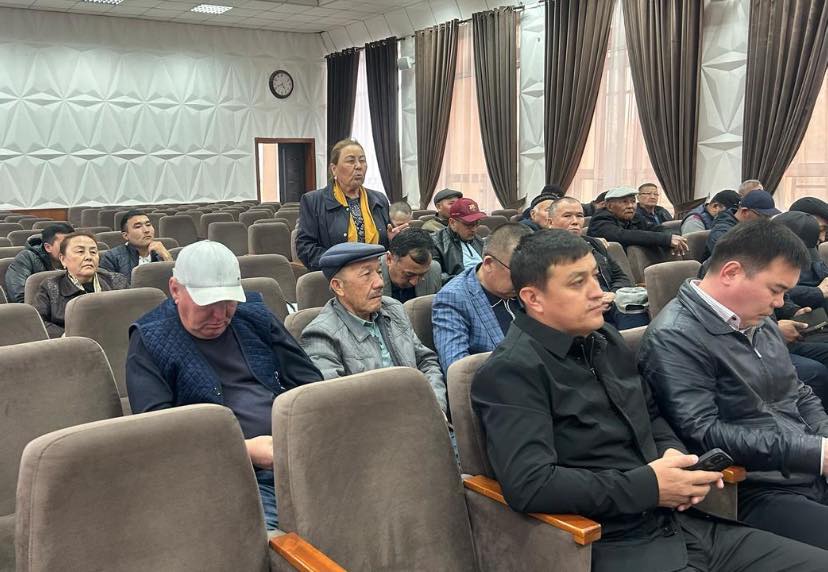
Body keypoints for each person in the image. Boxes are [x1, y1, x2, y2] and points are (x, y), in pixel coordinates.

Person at [472, 228, 828, 572]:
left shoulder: (604, 340)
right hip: (618, 542)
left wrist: (672, 455)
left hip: (684, 524)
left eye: (595, 277)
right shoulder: (511, 372)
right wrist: (650, 486)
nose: (600, 293)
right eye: (578, 283)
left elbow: (652, 414)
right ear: (534, 298)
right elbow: (532, 484)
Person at [639, 219, 828, 550]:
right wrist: (813, 453)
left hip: (801, 467)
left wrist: (824, 441)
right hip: (753, 485)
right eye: (775, 290)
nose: (780, 303)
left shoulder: (756, 319)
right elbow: (704, 433)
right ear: (731, 272)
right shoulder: (676, 336)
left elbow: (798, 391)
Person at [126, 240, 323, 531]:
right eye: (208, 304)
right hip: (226, 472)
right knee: (272, 538)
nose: (220, 316)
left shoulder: (253, 314)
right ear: (175, 290)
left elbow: (309, 384)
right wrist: (243, 449)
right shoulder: (149, 338)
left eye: (229, 302)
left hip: (295, 451)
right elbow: (160, 438)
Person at [300, 242, 447, 414]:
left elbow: (426, 362)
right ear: (338, 286)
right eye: (366, 274)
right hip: (375, 425)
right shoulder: (320, 335)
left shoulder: (393, 309)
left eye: (379, 272)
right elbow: (335, 405)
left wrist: (436, 407)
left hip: (423, 414)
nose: (379, 283)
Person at [295, 138, 407, 271]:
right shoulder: (313, 201)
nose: (358, 166)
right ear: (334, 169)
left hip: (377, 271)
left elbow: (386, 243)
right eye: (350, 161)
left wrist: (393, 240)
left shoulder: (379, 199)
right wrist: (341, 265)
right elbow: (305, 248)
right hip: (337, 274)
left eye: (362, 160)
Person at [433, 223, 531, 374]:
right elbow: (458, 370)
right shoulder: (453, 298)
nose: (526, 281)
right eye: (518, 273)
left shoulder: (532, 286)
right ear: (489, 264)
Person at [546, 197, 646, 330]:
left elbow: (620, 276)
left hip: (610, 302)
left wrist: (613, 295)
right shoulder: (543, 251)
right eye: (567, 216)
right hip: (577, 310)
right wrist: (592, 301)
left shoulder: (593, 244)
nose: (575, 221)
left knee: (636, 308)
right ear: (550, 222)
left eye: (579, 216)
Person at [32, 231, 128, 338]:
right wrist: (70, 336)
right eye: (80, 251)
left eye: (93, 252)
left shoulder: (117, 282)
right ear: (63, 259)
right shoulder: (50, 287)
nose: (88, 257)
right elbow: (38, 323)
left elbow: (131, 315)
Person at [587, 187, 687, 255]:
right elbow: (624, 235)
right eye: (624, 202)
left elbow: (654, 228)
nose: (630, 206)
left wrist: (672, 236)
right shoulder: (600, 219)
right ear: (609, 206)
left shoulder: (635, 217)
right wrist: (665, 239)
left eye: (633, 201)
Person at [5, 222, 73, 303]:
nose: (71, 249)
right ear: (48, 247)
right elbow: (19, 298)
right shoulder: (26, 258)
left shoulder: (78, 259)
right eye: (64, 245)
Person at [99, 210, 172, 284]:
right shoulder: (111, 258)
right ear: (125, 235)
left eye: (148, 225)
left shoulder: (161, 253)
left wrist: (166, 256)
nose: (146, 230)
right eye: (138, 227)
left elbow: (175, 283)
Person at [704, 189, 779, 260]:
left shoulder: (751, 228)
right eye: (763, 216)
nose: (766, 221)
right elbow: (733, 260)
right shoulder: (721, 232)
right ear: (745, 212)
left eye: (769, 217)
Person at [431, 198, 486, 284]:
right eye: (469, 224)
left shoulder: (478, 240)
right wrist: (469, 281)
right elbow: (436, 276)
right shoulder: (436, 242)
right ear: (452, 223)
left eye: (477, 223)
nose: (474, 229)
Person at [380, 228, 441, 303]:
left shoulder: (434, 270)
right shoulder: (369, 278)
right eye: (409, 274)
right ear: (389, 259)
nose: (414, 282)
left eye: (422, 275)